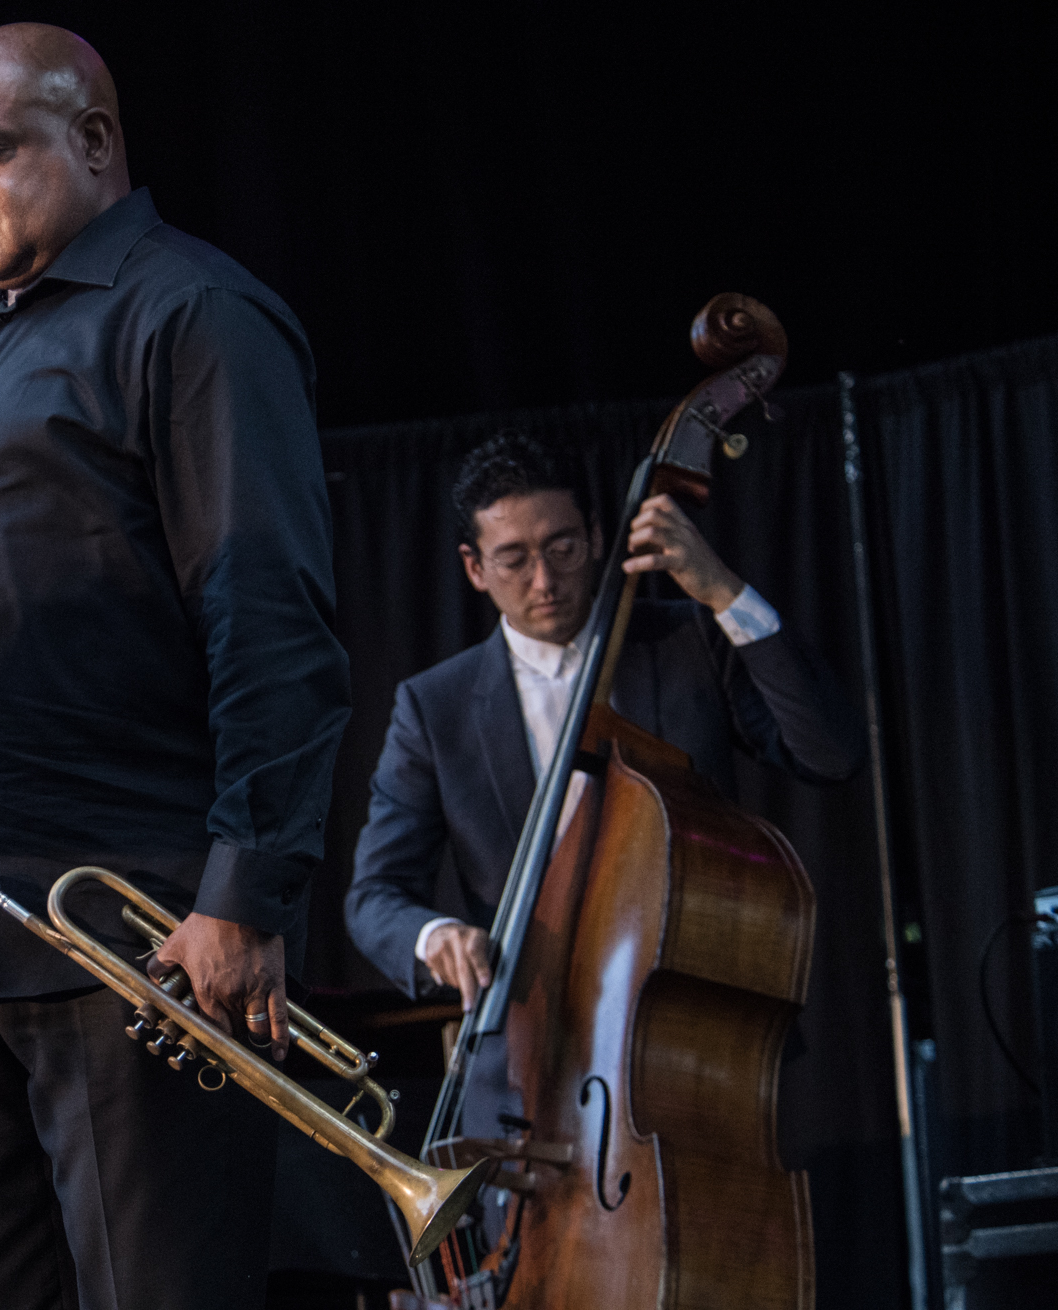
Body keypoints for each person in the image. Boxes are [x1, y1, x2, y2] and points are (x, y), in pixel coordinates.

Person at [0, 23, 352, 1310]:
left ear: (94, 142)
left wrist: (245, 891)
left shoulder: (193, 314)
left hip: (136, 949)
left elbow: (268, 616)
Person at [344, 429, 861, 1130]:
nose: (543, 582)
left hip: (697, 1043)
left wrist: (724, 593)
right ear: (472, 567)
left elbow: (827, 753)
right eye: (512, 559)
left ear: (595, 535)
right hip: (533, 1062)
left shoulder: (689, 642)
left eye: (561, 548)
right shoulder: (433, 707)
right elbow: (374, 895)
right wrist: (433, 934)